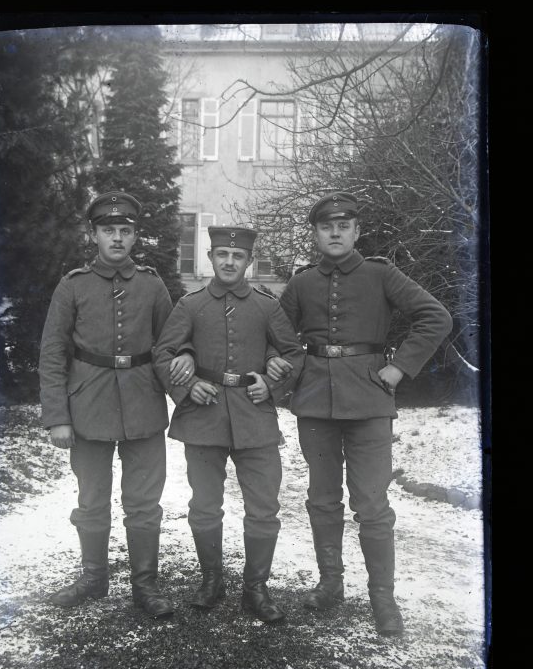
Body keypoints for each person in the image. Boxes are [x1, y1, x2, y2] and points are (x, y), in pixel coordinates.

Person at [269, 192, 453, 636]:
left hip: (371, 401)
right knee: (321, 500)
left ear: (356, 231)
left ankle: (382, 599)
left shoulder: (380, 275)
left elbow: (436, 316)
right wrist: (280, 369)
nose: (335, 232)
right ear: (315, 234)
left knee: (372, 505)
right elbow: (274, 332)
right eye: (326, 227)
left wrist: (398, 368)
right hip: (314, 403)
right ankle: (331, 584)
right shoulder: (302, 284)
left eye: (344, 225)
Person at [38, 191, 194, 618]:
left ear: (135, 236)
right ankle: (93, 578)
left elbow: (170, 342)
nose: (118, 239)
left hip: (143, 404)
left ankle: (145, 586)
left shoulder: (151, 283)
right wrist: (57, 417)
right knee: (91, 499)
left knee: (144, 502)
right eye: (109, 230)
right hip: (87, 406)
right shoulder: (73, 286)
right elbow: (53, 353)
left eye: (125, 231)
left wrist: (185, 360)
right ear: (93, 235)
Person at [153, 227, 305, 624]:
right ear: (210, 256)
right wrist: (187, 387)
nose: (229, 262)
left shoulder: (266, 306)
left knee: (264, 507)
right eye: (221, 254)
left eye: (237, 257)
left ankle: (256, 588)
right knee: (204, 504)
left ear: (249, 261)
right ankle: (211, 580)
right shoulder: (190, 305)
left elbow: (293, 353)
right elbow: (163, 352)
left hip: (255, 416)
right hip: (203, 415)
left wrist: (271, 385)